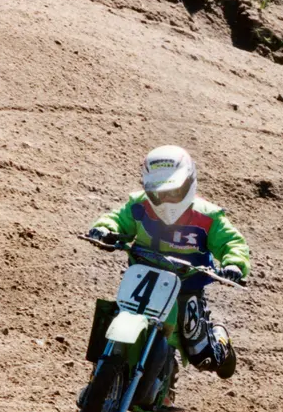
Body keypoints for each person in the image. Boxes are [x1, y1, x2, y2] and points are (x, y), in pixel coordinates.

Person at [86, 145, 250, 382]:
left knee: (201, 354)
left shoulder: (207, 217)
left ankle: (220, 340)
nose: (166, 199)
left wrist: (234, 264)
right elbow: (117, 219)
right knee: (110, 317)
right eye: (159, 193)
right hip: (143, 279)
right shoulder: (139, 206)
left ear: (188, 184)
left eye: (173, 192)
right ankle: (100, 373)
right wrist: (104, 229)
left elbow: (232, 242)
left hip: (186, 287)